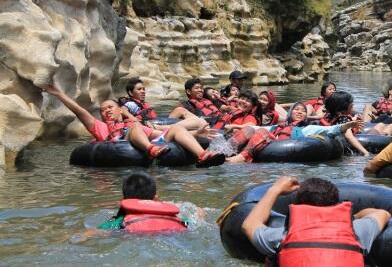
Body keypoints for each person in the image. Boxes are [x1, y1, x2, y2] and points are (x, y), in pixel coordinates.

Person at [42, 84, 225, 167]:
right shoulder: (100, 127)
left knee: (176, 128)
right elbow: (79, 111)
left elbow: (161, 134)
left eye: (110, 108)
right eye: (103, 109)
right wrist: (58, 94)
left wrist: (196, 132)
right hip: (123, 144)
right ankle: (150, 150)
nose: (106, 111)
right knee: (134, 127)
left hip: (150, 141)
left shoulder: (132, 122)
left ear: (120, 110)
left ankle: (202, 156)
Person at [242, 176, 391, 266]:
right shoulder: (358, 232)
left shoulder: (283, 237)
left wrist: (274, 190)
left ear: (297, 207)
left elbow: (249, 225)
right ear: (336, 205)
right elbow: (382, 214)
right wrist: (353, 218)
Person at [226, 102, 363, 163]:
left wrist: (348, 125)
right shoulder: (276, 127)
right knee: (251, 129)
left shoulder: (308, 128)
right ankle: (225, 152)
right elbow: (253, 129)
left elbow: (331, 129)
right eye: (296, 109)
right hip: (268, 145)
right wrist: (234, 126)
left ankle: (239, 159)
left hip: (283, 149)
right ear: (290, 113)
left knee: (261, 131)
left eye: (303, 111)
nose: (300, 112)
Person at [97, 172, 201, 232]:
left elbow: (92, 233)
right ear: (156, 198)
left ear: (124, 200)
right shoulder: (180, 221)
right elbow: (197, 218)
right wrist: (199, 212)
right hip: (172, 236)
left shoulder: (119, 222)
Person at [320, 92, 369, 156]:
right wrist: (365, 152)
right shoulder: (344, 119)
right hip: (345, 149)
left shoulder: (329, 115)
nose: (353, 105)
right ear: (344, 106)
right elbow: (349, 137)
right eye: (351, 104)